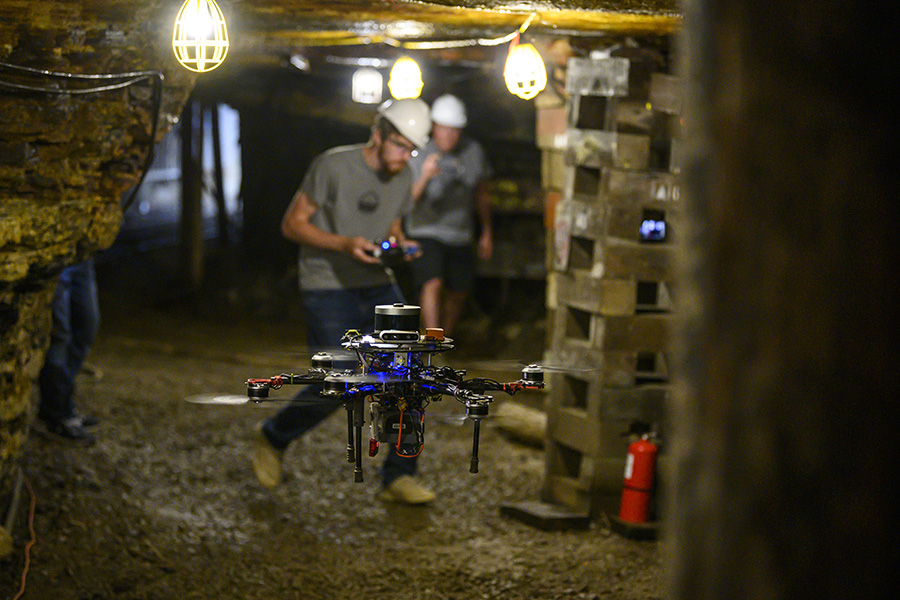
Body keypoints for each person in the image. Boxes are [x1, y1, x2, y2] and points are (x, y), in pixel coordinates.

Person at [252, 98, 436, 504]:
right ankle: (272, 436)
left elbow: (391, 221)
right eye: (401, 146)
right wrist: (343, 244)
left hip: (375, 280)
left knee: (411, 370)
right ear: (380, 133)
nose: (406, 156)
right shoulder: (332, 166)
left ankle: (398, 476)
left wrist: (400, 244)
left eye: (412, 150)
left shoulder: (404, 174)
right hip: (326, 282)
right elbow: (292, 224)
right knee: (341, 379)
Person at [405, 94, 493, 336]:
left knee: (459, 290)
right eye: (444, 129)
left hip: (461, 233)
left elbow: (482, 195)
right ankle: (433, 339)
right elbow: (406, 202)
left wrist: (486, 233)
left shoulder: (473, 152)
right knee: (432, 282)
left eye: (455, 130)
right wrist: (424, 176)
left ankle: (445, 340)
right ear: (434, 128)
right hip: (425, 230)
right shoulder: (419, 152)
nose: (449, 135)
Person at [37, 258, 101, 442]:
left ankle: (63, 404)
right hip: (57, 262)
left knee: (87, 328)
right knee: (59, 336)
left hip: (83, 258)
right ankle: (57, 412)